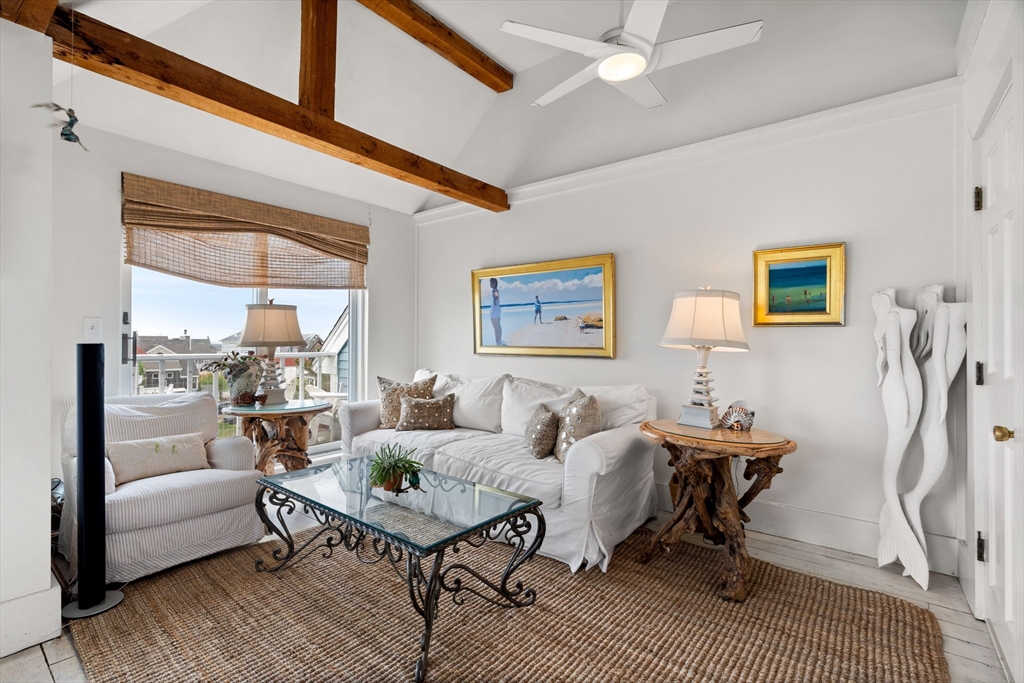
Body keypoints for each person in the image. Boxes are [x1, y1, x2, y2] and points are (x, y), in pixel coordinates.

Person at [489, 278, 503, 346]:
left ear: (494, 283)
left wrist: (495, 300)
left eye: (491, 283)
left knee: (496, 328)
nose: (490, 284)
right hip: (497, 312)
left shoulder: (494, 290)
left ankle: (498, 342)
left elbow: (496, 296)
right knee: (498, 328)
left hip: (494, 313)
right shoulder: (495, 290)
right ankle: (499, 341)